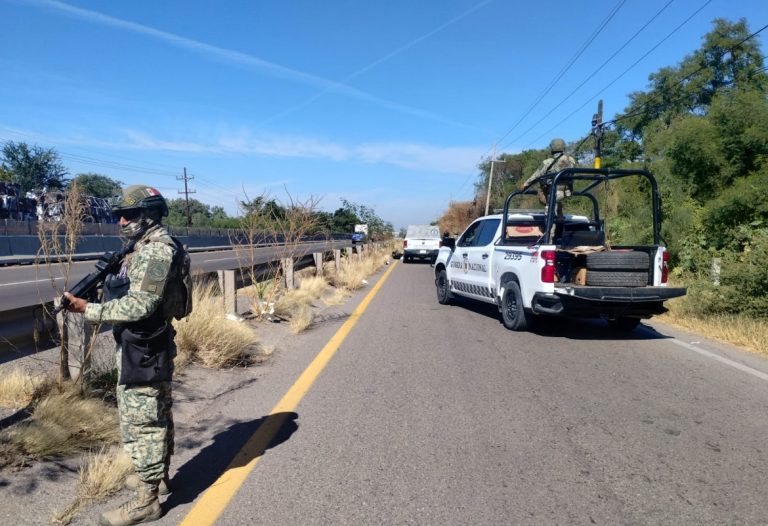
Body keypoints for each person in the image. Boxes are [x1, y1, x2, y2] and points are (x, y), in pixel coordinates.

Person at [64, 184, 181, 526]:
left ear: (150, 215)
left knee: (143, 420)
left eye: (129, 215)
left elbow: (142, 304)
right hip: (142, 345)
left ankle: (147, 500)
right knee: (154, 412)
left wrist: (88, 309)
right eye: (119, 215)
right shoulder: (142, 245)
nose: (121, 222)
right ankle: (157, 476)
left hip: (145, 348)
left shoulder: (156, 251)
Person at [521, 138, 576, 216]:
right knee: (557, 204)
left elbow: (536, 175)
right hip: (567, 192)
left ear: (552, 148)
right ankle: (559, 219)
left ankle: (550, 222)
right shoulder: (571, 160)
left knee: (549, 215)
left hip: (553, 192)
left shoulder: (547, 162)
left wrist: (525, 184)